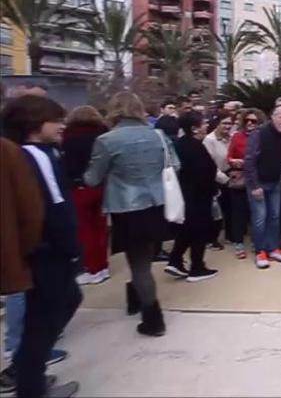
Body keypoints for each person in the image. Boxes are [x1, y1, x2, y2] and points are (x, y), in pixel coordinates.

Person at [0, 96, 82, 398]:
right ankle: (29, 384)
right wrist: (71, 249)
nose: (62, 125)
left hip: (40, 251)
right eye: (55, 120)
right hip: (49, 252)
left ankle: (26, 373)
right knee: (43, 319)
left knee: (60, 304)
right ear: (34, 125)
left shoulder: (26, 153)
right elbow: (54, 208)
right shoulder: (38, 156)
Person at [84, 92, 174, 337]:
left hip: (126, 207)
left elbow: (92, 178)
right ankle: (136, 299)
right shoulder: (158, 136)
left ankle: (153, 319)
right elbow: (175, 166)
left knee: (139, 265)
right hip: (157, 204)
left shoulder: (107, 140)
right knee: (143, 259)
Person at [0, 137, 59, 397]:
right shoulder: (12, 152)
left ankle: (22, 362)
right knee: (24, 295)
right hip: (20, 251)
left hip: (18, 249)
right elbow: (31, 211)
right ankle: (19, 361)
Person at [163, 111, 220, 282]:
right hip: (198, 196)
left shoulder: (180, 144)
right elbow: (204, 173)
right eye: (203, 123)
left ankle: (175, 260)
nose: (206, 126)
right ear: (194, 128)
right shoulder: (195, 147)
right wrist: (214, 188)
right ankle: (197, 268)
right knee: (199, 232)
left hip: (185, 195)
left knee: (186, 230)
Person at [61, 106, 110, 285]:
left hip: (79, 186)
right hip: (102, 185)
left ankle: (91, 268)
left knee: (85, 230)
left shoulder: (69, 136)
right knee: (100, 228)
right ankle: (103, 266)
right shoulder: (103, 133)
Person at [244, 105, 281, 269]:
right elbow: (249, 161)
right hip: (258, 183)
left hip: (275, 182)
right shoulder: (258, 134)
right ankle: (260, 251)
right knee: (260, 218)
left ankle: (273, 248)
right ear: (272, 116)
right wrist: (254, 186)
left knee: (274, 217)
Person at [226, 109, 264, 259]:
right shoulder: (237, 136)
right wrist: (235, 161)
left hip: (256, 179)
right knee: (239, 213)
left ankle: (257, 242)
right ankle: (239, 243)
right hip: (241, 178)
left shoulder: (263, 137)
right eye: (247, 120)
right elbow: (229, 156)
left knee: (256, 214)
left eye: (254, 121)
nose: (250, 123)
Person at [203, 111, 234, 251]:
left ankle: (230, 235)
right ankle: (211, 239)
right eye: (225, 123)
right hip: (215, 178)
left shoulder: (231, 138)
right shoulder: (209, 140)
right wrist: (224, 179)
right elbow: (209, 165)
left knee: (230, 209)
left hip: (231, 175)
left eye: (230, 123)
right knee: (216, 212)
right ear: (217, 124)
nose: (228, 126)